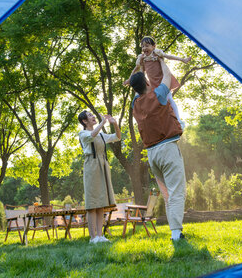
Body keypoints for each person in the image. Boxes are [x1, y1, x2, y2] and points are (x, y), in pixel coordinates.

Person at [129, 57, 186, 241]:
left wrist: (138, 65)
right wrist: (161, 59)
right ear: (146, 82)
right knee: (176, 191)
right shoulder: (159, 93)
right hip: (167, 149)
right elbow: (167, 76)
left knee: (168, 194)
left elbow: (134, 83)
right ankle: (176, 233)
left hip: (152, 155)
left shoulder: (135, 104)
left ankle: (175, 231)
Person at [124, 36, 191, 128]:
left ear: (154, 46)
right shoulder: (142, 58)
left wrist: (182, 59)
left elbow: (169, 56)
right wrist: (129, 79)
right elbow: (137, 68)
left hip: (163, 80)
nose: (144, 48)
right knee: (161, 102)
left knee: (169, 99)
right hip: (153, 83)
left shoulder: (157, 53)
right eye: (143, 46)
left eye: (147, 46)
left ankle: (178, 119)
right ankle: (167, 121)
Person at [78, 110, 121, 243]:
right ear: (84, 121)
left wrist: (115, 124)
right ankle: (93, 237)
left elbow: (117, 137)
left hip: (102, 165)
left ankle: (100, 236)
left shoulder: (101, 135)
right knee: (92, 203)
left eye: (92, 115)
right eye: (90, 116)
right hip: (91, 165)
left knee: (101, 202)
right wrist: (103, 122)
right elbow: (92, 135)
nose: (93, 117)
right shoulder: (83, 134)